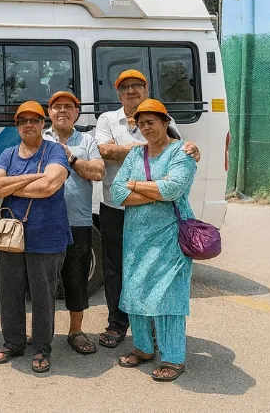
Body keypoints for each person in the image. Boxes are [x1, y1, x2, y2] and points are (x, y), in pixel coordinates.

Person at [94, 69, 200, 349]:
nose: (131, 91)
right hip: (115, 206)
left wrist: (137, 182)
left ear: (146, 88)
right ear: (118, 94)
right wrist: (154, 178)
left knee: (158, 272)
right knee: (119, 268)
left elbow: (179, 152)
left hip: (159, 217)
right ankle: (118, 324)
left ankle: (159, 335)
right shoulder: (107, 119)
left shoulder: (167, 119)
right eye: (125, 87)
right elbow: (105, 152)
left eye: (136, 86)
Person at [110, 99, 197, 382]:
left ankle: (173, 358)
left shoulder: (181, 153)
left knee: (168, 296)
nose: (146, 128)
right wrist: (153, 191)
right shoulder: (136, 155)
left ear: (164, 122)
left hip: (170, 236)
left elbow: (172, 189)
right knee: (136, 290)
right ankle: (144, 348)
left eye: (151, 122)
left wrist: (134, 185)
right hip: (136, 237)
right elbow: (116, 193)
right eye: (141, 123)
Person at [0, 101, 71, 373]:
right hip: (11, 237)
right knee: (9, 293)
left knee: (43, 296)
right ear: (17, 125)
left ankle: (42, 348)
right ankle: (13, 343)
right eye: (22, 120)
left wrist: (15, 181)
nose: (28, 124)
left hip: (46, 235)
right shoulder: (7, 153)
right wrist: (32, 177)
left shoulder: (55, 150)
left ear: (42, 124)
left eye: (34, 120)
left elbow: (49, 186)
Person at [42, 92, 105, 354]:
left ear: (77, 113)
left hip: (78, 221)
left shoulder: (87, 140)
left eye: (69, 107)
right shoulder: (40, 137)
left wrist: (71, 158)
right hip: (43, 221)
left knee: (76, 278)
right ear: (49, 112)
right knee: (42, 281)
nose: (63, 111)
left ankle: (76, 331)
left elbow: (98, 172)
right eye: (57, 107)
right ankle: (42, 332)